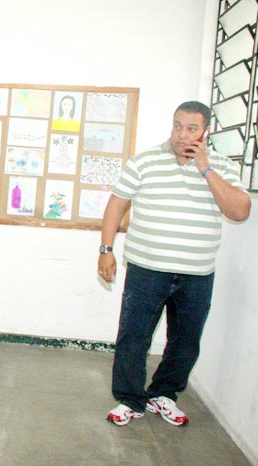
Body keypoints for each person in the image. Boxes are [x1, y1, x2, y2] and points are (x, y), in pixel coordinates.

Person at [99, 101, 251, 427]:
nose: (182, 134)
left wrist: (206, 168)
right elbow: (116, 205)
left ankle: (163, 394)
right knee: (134, 336)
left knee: (185, 341)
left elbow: (239, 211)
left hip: (196, 274)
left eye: (192, 128)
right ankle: (130, 399)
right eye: (178, 125)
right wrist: (106, 249)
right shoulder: (145, 161)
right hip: (146, 269)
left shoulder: (222, 167)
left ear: (205, 131)